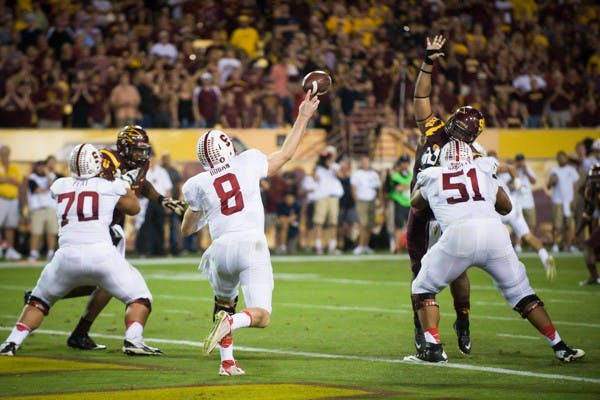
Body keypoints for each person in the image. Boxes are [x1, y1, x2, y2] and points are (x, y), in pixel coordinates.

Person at [404, 140, 585, 363]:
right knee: (522, 293)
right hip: (495, 234)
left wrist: (425, 183)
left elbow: (415, 203)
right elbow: (506, 207)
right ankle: (560, 346)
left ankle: (433, 349)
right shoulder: (483, 168)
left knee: (422, 287)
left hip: (458, 235)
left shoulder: (433, 174)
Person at [180, 90, 319, 376]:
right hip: (250, 245)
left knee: (224, 305)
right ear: (228, 147)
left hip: (219, 250)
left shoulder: (197, 183)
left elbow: (187, 229)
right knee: (260, 316)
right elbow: (285, 155)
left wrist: (199, 210)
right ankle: (232, 324)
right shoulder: (249, 160)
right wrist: (303, 116)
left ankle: (227, 362)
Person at [23, 126, 186, 351]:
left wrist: (161, 199)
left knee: (102, 284)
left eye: (143, 150)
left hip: (113, 225)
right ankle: (58, 312)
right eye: (137, 150)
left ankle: (58, 313)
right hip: (97, 227)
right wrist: (124, 192)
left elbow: (141, 183)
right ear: (124, 148)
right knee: (105, 282)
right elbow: (108, 193)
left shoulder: (139, 163)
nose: (141, 155)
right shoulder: (106, 160)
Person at [0, 144, 161, 357]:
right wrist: (125, 183)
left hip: (65, 257)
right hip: (102, 254)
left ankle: (12, 342)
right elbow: (134, 208)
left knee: (38, 302)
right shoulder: (109, 185)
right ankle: (133, 339)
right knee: (140, 297)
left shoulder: (59, 185)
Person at [407, 35, 485, 355]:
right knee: (419, 276)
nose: (455, 135)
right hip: (421, 212)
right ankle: (424, 332)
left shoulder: (473, 155)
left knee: (457, 272)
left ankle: (462, 319)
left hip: (449, 216)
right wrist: (428, 62)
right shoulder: (434, 128)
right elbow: (420, 97)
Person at [548, 151, 580, 253]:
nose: (561, 159)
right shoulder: (554, 171)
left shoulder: (571, 170)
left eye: (563, 157)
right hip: (557, 201)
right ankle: (555, 245)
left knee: (569, 225)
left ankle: (569, 245)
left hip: (569, 201)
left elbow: (576, 186)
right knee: (557, 225)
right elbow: (548, 186)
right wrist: (552, 181)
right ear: (557, 160)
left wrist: (575, 200)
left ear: (566, 159)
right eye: (559, 158)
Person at [26, 160, 58, 261]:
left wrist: (48, 173)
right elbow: (37, 190)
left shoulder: (52, 176)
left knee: (51, 232)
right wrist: (49, 190)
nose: (40, 169)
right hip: (38, 209)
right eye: (39, 167)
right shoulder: (32, 177)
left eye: (42, 167)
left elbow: (54, 186)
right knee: (36, 232)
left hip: (51, 208)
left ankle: (50, 252)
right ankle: (33, 253)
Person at [350, 155, 381, 255]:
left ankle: (366, 245)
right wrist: (356, 199)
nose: (365, 164)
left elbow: (378, 188)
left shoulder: (373, 174)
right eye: (364, 162)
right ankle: (361, 245)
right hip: (361, 200)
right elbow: (353, 187)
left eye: (367, 162)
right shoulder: (357, 173)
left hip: (371, 200)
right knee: (362, 224)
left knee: (369, 225)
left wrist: (378, 199)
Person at [578, 164, 600, 285]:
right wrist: (578, 232)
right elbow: (589, 212)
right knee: (593, 250)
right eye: (593, 178)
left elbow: (589, 211)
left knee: (589, 247)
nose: (593, 180)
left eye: (596, 178)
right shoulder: (593, 191)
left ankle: (595, 277)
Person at [0, 144, 23, 260]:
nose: (5, 155)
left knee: (10, 226)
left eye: (7, 153)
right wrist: (9, 179)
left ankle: (9, 249)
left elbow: (18, 182)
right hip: (1, 198)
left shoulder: (13, 166)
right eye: (3, 153)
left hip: (12, 200)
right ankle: (1, 247)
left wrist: (4, 179)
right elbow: (12, 180)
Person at [388, 155, 413, 253]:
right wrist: (408, 185)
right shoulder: (395, 176)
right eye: (403, 162)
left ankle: (410, 247)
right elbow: (398, 188)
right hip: (399, 203)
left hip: (409, 203)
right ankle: (397, 247)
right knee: (398, 226)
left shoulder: (411, 175)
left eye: (407, 162)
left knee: (411, 226)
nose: (405, 164)